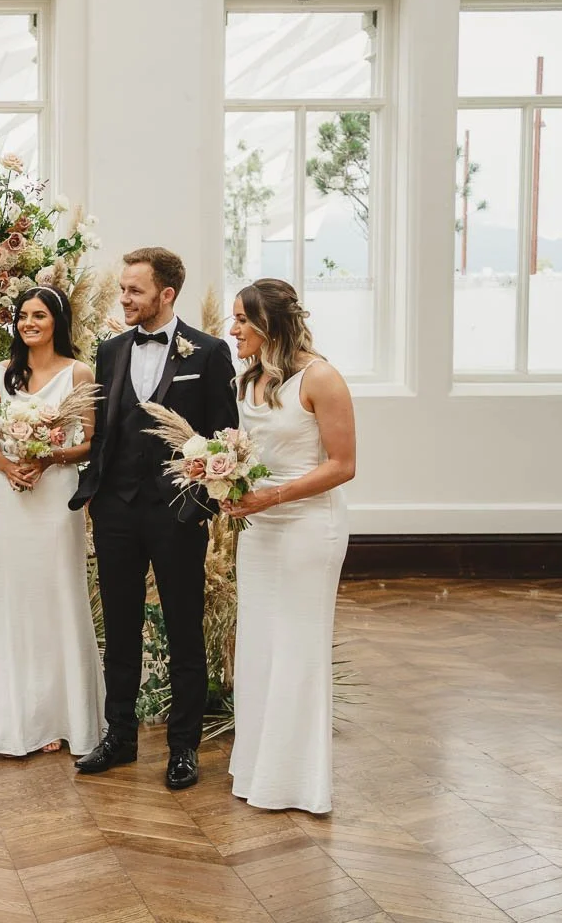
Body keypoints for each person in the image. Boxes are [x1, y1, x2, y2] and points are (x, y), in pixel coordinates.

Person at [69, 246, 236, 791]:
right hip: (115, 508)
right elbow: (106, 423)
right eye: (122, 289)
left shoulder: (208, 352)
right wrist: (96, 493)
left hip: (176, 512)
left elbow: (223, 437)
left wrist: (199, 504)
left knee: (183, 626)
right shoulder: (112, 349)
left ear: (167, 294)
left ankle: (183, 747)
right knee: (119, 626)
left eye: (135, 290)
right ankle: (119, 737)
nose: (124, 298)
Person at [224, 279, 355, 814]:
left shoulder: (321, 378)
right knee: (258, 642)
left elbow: (343, 465)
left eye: (240, 321)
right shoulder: (247, 380)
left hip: (307, 528)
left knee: (298, 644)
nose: (231, 330)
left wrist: (272, 496)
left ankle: (297, 781)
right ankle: (259, 769)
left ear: (268, 323)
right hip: (260, 529)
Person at [0, 287, 105, 758]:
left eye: (39, 315)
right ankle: (16, 718)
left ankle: (63, 716)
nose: (29, 323)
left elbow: (91, 441)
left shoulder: (79, 372)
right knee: (11, 598)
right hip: (8, 498)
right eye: (23, 316)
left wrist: (49, 458)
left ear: (58, 321)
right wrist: (8, 466)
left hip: (55, 495)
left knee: (57, 594)